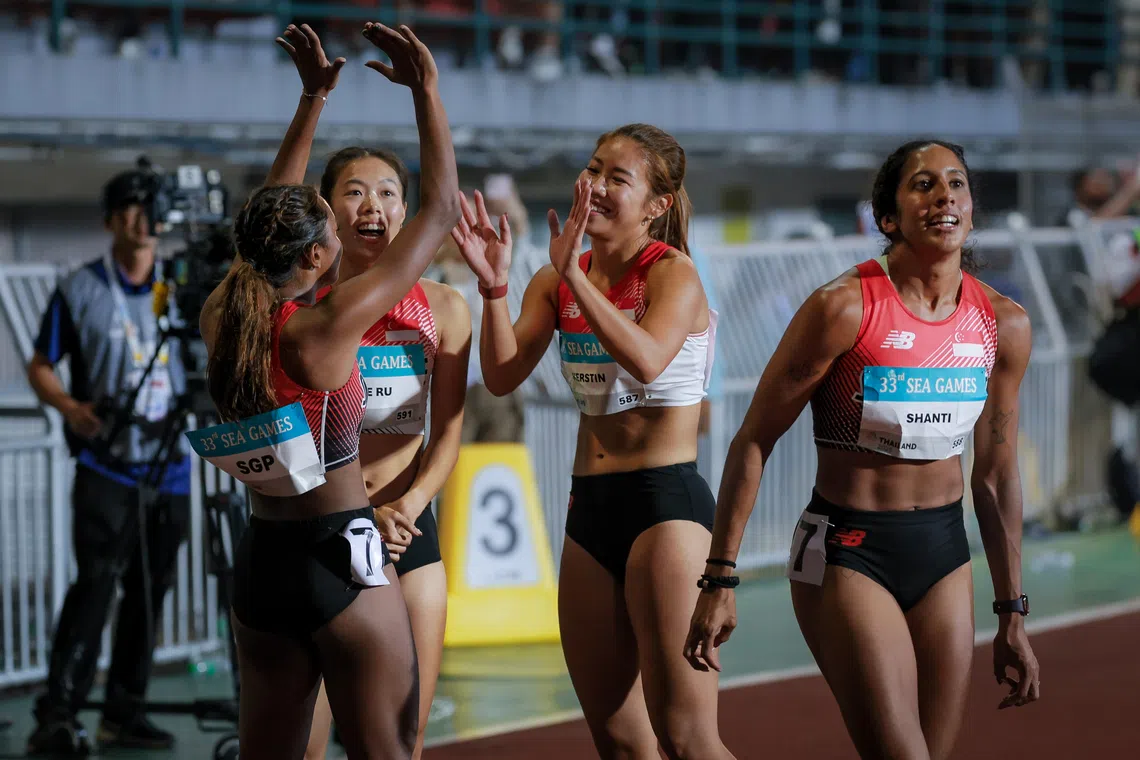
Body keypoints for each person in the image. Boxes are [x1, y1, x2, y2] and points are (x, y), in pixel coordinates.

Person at [684, 140, 1042, 760]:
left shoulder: (1002, 325)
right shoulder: (843, 307)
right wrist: (720, 576)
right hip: (847, 549)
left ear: (972, 208)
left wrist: (1012, 609)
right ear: (887, 217)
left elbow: (996, 473)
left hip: (943, 553)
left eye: (956, 184)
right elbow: (752, 441)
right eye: (923, 185)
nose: (944, 197)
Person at [193, 22, 459, 760]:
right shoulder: (327, 327)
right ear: (316, 254)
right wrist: (427, 94)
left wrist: (312, 99)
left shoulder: (223, 313)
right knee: (387, 751)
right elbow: (437, 209)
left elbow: (266, 220)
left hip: (262, 562)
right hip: (341, 555)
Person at [452, 123, 734, 760]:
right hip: (590, 510)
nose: (595, 185)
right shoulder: (555, 281)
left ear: (657, 205)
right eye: (592, 168)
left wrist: (574, 279)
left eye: (617, 177)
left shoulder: (672, 275)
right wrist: (494, 287)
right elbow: (500, 376)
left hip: (666, 507)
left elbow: (647, 361)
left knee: (687, 739)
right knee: (617, 739)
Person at [25, 168, 193, 755]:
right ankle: (58, 713)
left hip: (169, 467)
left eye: (150, 205)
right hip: (107, 467)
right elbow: (40, 363)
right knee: (94, 589)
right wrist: (70, 408)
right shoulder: (80, 290)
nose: (141, 217)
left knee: (151, 594)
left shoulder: (182, 283)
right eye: (128, 206)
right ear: (109, 220)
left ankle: (125, 712)